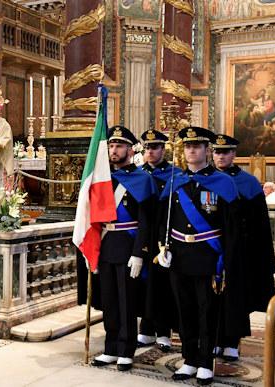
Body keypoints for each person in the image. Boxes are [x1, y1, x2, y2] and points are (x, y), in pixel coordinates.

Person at [156, 127, 239, 385]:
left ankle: (205, 363)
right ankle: (189, 360)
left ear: (207, 150)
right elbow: (163, 220)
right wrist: (163, 247)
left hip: (208, 257)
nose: (191, 150)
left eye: (197, 146)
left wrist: (226, 260)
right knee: (185, 312)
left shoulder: (222, 182)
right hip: (180, 255)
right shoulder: (175, 180)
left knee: (207, 312)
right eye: (188, 146)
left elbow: (232, 227)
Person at [90, 126, 156, 371]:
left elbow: (146, 221)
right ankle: (110, 348)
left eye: (119, 146)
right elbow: (93, 217)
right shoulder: (102, 178)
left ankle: (126, 349)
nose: (113, 150)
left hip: (129, 247)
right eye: (111, 146)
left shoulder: (142, 179)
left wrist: (139, 252)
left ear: (130, 149)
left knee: (127, 300)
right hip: (106, 245)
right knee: (108, 300)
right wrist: (92, 250)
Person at [212, 134, 275, 362]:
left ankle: (231, 341)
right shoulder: (206, 179)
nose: (220, 156)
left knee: (235, 295)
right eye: (217, 152)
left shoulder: (247, 182)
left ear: (233, 155)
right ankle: (214, 338)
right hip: (211, 247)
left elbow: (259, 222)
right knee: (211, 296)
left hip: (240, 249)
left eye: (225, 152)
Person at [137, 129, 180, 352]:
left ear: (164, 149)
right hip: (141, 234)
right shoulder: (137, 173)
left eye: (155, 147)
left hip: (164, 235)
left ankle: (163, 331)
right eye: (147, 148)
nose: (150, 151)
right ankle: (145, 328)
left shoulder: (174, 175)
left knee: (162, 284)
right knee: (143, 283)